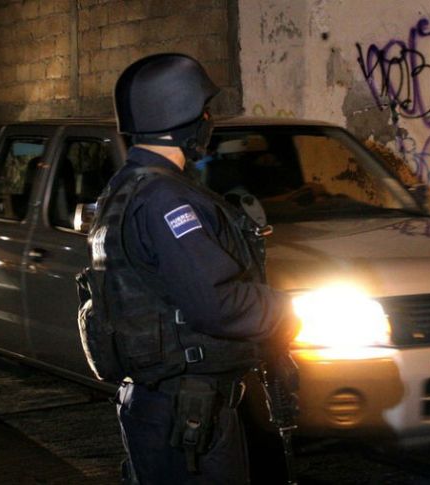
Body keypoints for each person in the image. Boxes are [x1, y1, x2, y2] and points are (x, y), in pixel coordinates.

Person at [96, 53, 299, 484]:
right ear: (178, 113)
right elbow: (216, 303)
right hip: (188, 415)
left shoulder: (126, 188)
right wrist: (291, 309)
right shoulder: (166, 199)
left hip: (164, 407)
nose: (209, 120)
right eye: (204, 111)